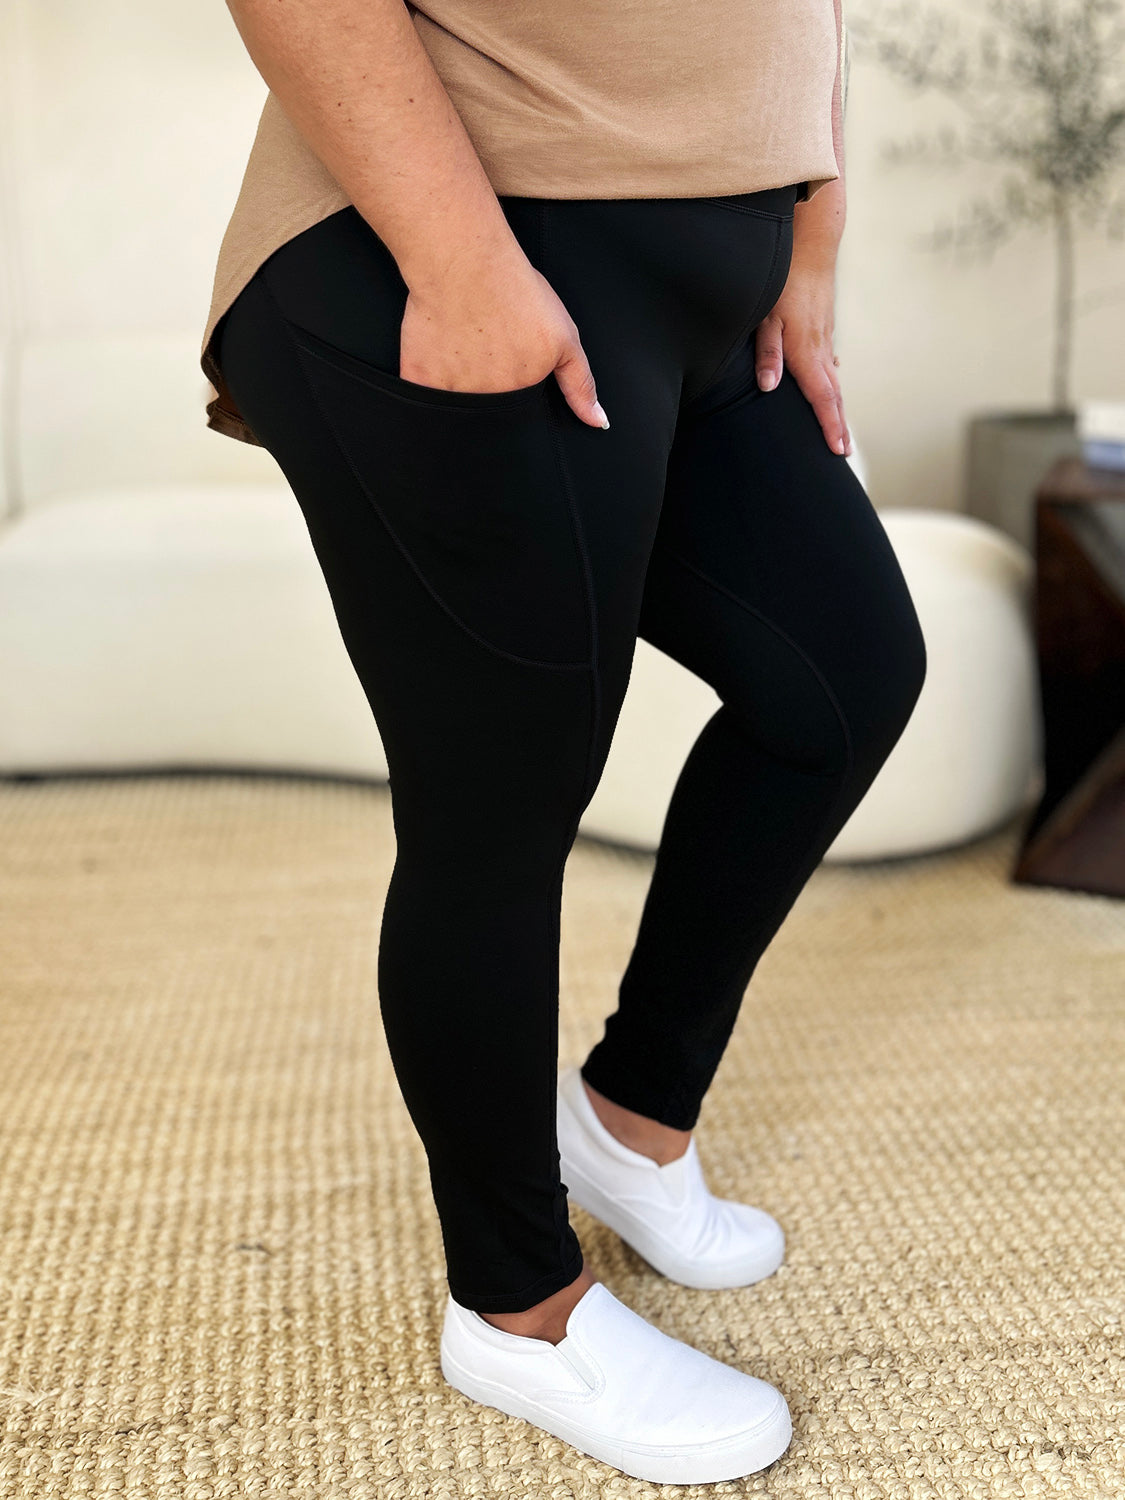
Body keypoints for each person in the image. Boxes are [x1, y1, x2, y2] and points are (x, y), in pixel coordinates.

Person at [201, 0, 927, 1483]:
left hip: (706, 279)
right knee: (500, 799)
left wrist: (809, 236)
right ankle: (516, 1309)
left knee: (843, 679)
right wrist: (455, 258)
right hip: (462, 246)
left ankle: (629, 1117)